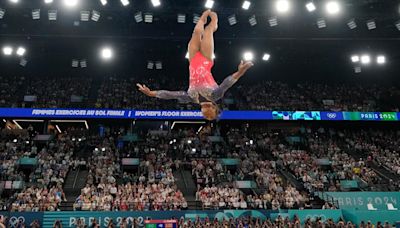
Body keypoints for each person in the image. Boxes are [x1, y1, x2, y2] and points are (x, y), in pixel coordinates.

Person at [137, 10, 253, 121]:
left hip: (193, 60)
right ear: (215, 108)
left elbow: (171, 94)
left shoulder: (191, 98)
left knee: (197, 32)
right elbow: (226, 83)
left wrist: (152, 93)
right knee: (207, 31)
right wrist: (240, 72)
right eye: (210, 117)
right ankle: (214, 23)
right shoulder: (215, 96)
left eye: (206, 117)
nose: (207, 117)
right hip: (207, 59)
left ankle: (203, 17)